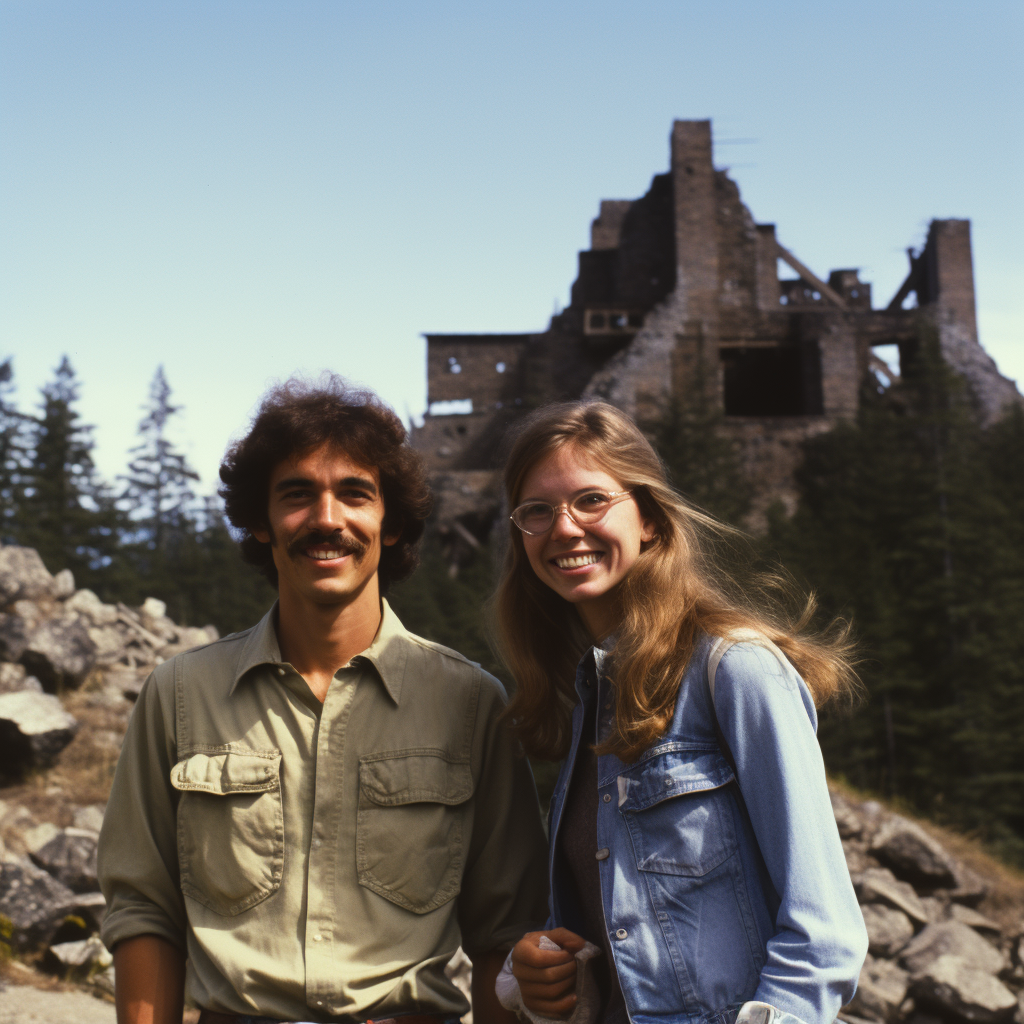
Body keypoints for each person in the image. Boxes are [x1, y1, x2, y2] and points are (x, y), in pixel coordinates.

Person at [98, 376, 548, 1024]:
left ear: (390, 524)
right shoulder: (179, 696)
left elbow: (503, 934)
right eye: (298, 494)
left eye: (355, 494)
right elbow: (143, 909)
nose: (328, 519)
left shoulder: (471, 705)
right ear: (260, 522)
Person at [494, 401, 868, 1024]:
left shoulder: (736, 671)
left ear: (649, 520)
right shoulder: (591, 696)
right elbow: (633, 945)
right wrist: (542, 974)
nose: (563, 527)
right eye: (537, 510)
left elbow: (824, 938)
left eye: (591, 500)